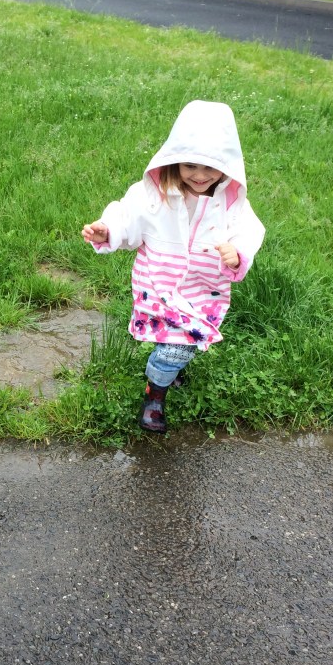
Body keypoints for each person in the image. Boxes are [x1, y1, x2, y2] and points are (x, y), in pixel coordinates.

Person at [82, 100, 265, 434]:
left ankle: (166, 374)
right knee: (176, 345)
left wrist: (237, 253)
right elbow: (127, 216)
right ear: (174, 159)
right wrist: (108, 230)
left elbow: (249, 230)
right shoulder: (152, 195)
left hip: (203, 288)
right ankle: (156, 394)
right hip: (158, 282)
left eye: (211, 168)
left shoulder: (231, 203)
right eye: (190, 165)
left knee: (180, 343)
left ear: (227, 166)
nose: (200, 175)